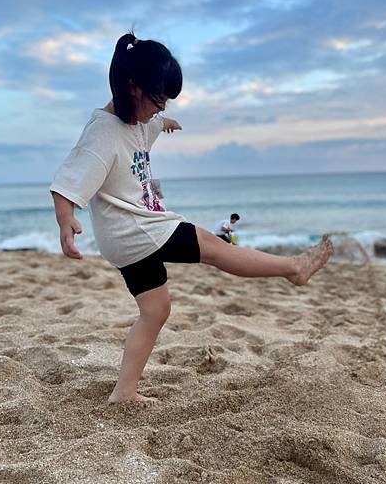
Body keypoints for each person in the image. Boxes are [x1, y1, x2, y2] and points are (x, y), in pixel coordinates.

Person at [50, 31, 334, 407]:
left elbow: (147, 127)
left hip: (129, 236)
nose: (159, 111)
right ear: (133, 88)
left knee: (155, 311)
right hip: (137, 229)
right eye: (158, 102)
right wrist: (66, 220)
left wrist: (163, 124)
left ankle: (124, 392)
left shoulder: (136, 120)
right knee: (213, 247)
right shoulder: (102, 133)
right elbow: (67, 181)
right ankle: (293, 267)